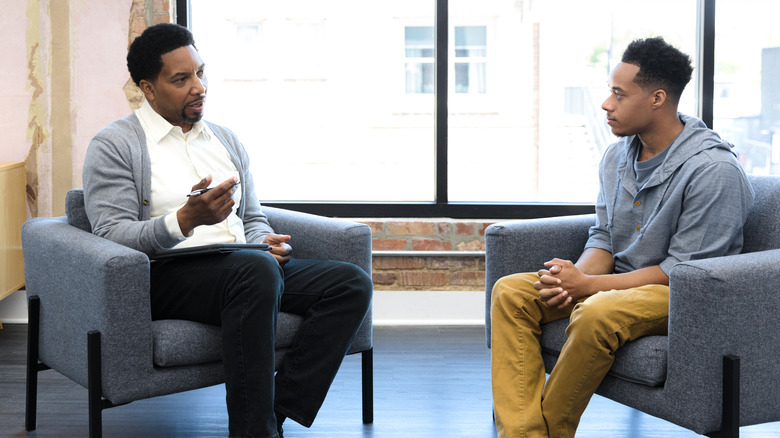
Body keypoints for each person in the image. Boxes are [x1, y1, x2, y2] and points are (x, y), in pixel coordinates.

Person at [82, 23, 372, 438]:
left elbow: (252, 217)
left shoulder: (224, 139)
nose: (198, 86)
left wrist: (262, 242)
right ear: (148, 88)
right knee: (254, 272)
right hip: (167, 274)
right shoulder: (115, 145)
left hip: (245, 266)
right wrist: (183, 220)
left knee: (350, 283)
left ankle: (276, 410)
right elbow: (110, 235)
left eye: (200, 72)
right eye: (181, 79)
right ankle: (255, 432)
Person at [490, 37, 754, 438]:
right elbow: (605, 238)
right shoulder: (617, 156)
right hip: (619, 283)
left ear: (657, 98)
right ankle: (525, 434)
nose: (605, 104)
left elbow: (683, 273)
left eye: (618, 94)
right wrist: (572, 280)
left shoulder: (713, 170)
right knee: (511, 292)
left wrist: (590, 287)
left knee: (597, 313)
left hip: (684, 294)